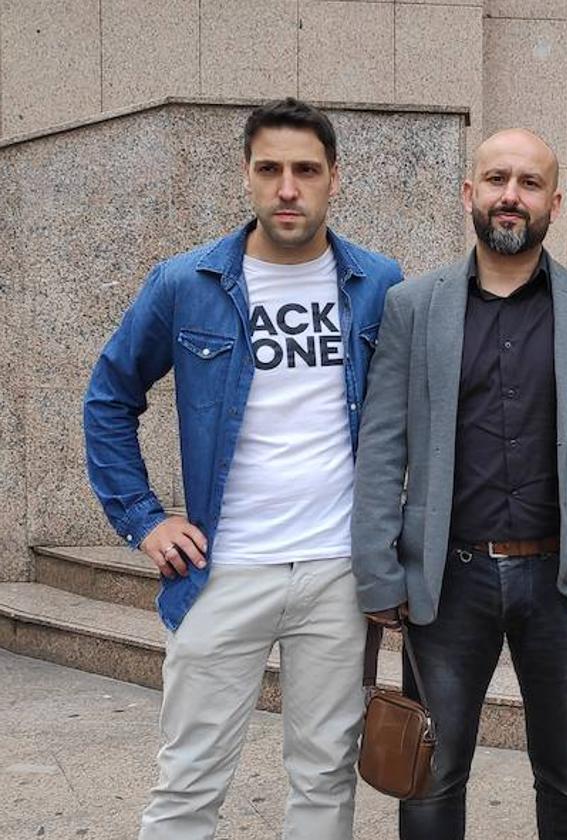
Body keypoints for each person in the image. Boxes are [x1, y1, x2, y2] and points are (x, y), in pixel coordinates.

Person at [83, 98, 403, 840]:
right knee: (189, 780)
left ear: (334, 180)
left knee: (325, 778)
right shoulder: (186, 283)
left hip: (336, 573)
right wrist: (144, 519)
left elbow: (406, 420)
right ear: (247, 177)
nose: (287, 188)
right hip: (222, 570)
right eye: (270, 169)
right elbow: (108, 397)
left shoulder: (376, 283)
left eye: (306, 170)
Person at [350, 128, 567, 840]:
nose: (513, 195)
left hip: (564, 584)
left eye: (530, 183)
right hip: (446, 580)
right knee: (431, 774)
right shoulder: (414, 307)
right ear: (469, 193)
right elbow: (383, 441)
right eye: (498, 179)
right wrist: (378, 569)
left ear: (555, 201)